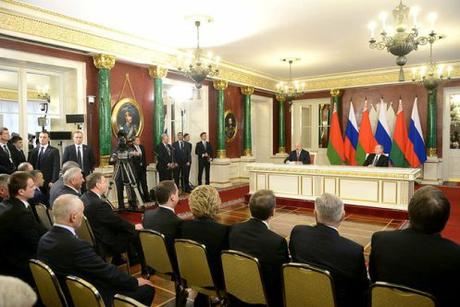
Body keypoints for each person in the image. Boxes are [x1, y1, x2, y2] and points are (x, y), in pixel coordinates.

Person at [37, 194, 155, 306]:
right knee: (146, 290)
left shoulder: (44, 240)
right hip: (87, 297)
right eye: (82, 213)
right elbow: (106, 272)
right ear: (73, 217)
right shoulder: (77, 246)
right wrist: (134, 282)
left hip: (63, 294)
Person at [369, 186, 460, 307]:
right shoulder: (455, 254)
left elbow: (374, 279)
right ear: (445, 219)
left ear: (409, 212)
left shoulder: (380, 240)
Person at [289, 193, 369, 307]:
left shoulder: (298, 232)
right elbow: (361, 289)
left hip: (298, 298)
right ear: (343, 216)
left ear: (315, 214)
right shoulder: (353, 250)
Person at [229, 189, 289, 307]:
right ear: (273, 212)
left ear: (249, 208)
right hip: (265, 297)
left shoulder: (234, 229)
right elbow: (282, 275)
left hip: (236, 292)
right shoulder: (276, 241)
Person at [180, 185, 228, 305]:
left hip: (190, 277)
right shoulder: (224, 232)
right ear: (216, 203)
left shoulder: (182, 228)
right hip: (217, 283)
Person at [0, 172, 46, 286]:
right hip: (19, 267)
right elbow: (35, 244)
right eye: (31, 186)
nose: (35, 188)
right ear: (21, 192)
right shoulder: (20, 213)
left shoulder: (7, 204)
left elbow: (37, 228)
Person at [81, 172, 142, 259]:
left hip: (94, 236)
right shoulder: (100, 204)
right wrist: (133, 226)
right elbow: (116, 222)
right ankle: (141, 264)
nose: (107, 184)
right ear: (98, 185)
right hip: (105, 242)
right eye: (104, 181)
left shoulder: (84, 197)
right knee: (134, 232)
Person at [143, 180, 182, 267]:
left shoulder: (147, 215)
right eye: (177, 194)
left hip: (151, 262)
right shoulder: (177, 222)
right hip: (171, 265)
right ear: (172, 197)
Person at [27, 130, 60, 195]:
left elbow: (56, 166)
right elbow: (30, 165)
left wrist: (53, 181)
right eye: (40, 137)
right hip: (35, 180)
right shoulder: (34, 150)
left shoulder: (54, 151)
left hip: (48, 180)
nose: (42, 139)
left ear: (48, 139)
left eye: (44, 137)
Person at [131, 136, 150, 202]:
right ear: (133, 141)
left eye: (139, 140)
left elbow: (144, 158)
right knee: (137, 185)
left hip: (143, 169)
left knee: (144, 184)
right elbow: (132, 160)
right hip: (136, 170)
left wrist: (144, 166)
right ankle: (141, 199)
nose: (139, 141)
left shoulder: (142, 147)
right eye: (137, 140)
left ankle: (147, 198)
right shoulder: (131, 148)